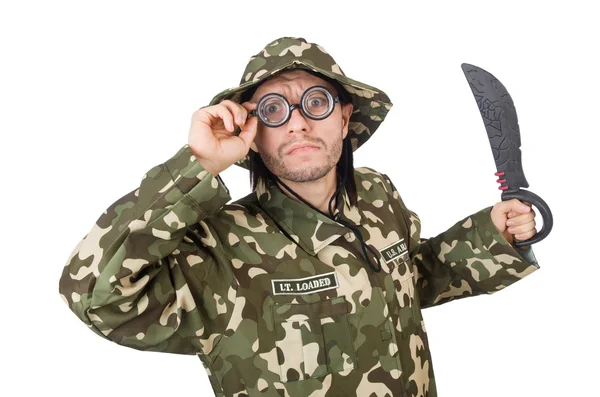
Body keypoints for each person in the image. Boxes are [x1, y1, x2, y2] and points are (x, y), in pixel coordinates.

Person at [59, 37, 540, 397]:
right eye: (272, 109)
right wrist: (198, 165)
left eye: (316, 102)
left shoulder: (377, 195)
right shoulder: (216, 248)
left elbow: (413, 277)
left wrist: (490, 236)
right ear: (250, 129)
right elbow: (96, 297)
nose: (297, 121)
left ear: (345, 117)